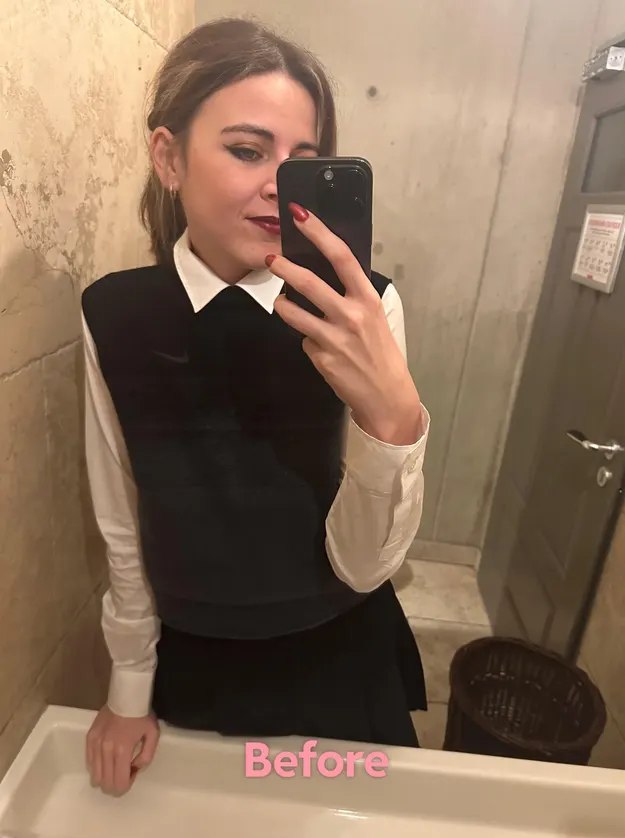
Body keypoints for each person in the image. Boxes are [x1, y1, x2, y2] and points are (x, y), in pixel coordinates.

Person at [82, 17, 430, 797]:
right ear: (169, 157)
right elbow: (121, 519)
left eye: (302, 164)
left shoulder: (362, 310)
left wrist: (393, 425)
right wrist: (128, 685)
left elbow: (366, 565)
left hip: (338, 658)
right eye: (247, 150)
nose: (279, 185)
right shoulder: (115, 314)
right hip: (193, 662)